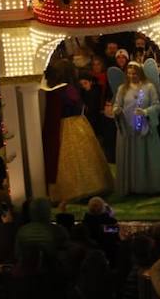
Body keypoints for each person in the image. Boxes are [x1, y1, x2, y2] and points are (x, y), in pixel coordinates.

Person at [43, 61, 112, 203]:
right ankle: (85, 188)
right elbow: (79, 105)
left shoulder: (51, 90)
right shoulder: (67, 89)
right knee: (80, 158)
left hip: (62, 126)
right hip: (74, 124)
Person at [107, 62, 160, 196]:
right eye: (129, 74)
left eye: (134, 73)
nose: (131, 76)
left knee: (145, 156)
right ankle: (131, 187)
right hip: (128, 129)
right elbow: (117, 104)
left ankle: (149, 187)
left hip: (144, 127)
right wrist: (116, 110)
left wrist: (146, 112)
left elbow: (157, 105)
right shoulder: (122, 89)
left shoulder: (149, 87)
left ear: (140, 73)